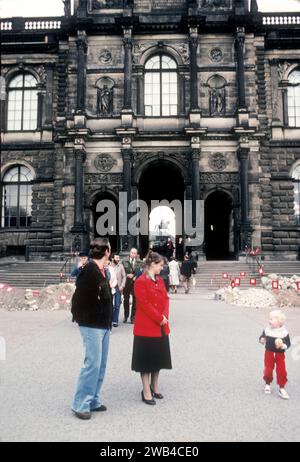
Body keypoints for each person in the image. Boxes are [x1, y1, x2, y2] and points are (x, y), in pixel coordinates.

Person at [71, 238, 113, 420]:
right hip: (92, 324)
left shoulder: (100, 270)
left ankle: (93, 399)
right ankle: (80, 403)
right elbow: (79, 299)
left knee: (100, 365)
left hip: (103, 324)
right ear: (106, 252)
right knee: (92, 364)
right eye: (109, 248)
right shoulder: (89, 270)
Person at [132, 250, 172, 406]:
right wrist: (159, 318)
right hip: (146, 327)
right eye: (160, 265)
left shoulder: (160, 280)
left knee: (158, 359)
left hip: (161, 325)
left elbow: (166, 299)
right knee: (146, 361)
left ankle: (155, 387)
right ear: (152, 265)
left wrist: (165, 316)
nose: (162, 268)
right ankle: (146, 391)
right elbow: (144, 304)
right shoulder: (140, 282)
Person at [259, 310, 291, 400]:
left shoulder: (284, 332)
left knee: (281, 370)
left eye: (272, 319)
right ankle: (267, 383)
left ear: (279, 322)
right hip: (269, 353)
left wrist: (283, 345)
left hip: (280, 354)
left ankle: (282, 387)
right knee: (268, 369)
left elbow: (288, 343)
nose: (269, 321)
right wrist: (262, 340)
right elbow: (262, 337)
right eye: (269, 319)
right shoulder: (267, 330)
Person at [122, 248, 143, 324]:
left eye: (135, 253)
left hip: (135, 283)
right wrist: (127, 275)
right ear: (130, 253)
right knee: (126, 299)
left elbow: (141, 272)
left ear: (136, 254)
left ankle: (133, 317)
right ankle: (126, 315)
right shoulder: (124, 261)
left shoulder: (140, 262)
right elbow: (122, 270)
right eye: (132, 253)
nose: (133, 254)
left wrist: (134, 276)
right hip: (127, 282)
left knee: (135, 300)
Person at [111, 254, 127, 327]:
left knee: (117, 305)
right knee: (110, 305)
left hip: (118, 287)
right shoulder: (109, 266)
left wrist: (122, 285)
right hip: (110, 287)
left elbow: (124, 276)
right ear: (112, 258)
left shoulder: (120, 266)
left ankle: (115, 321)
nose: (118, 259)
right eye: (116, 257)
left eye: (118, 258)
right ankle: (109, 319)